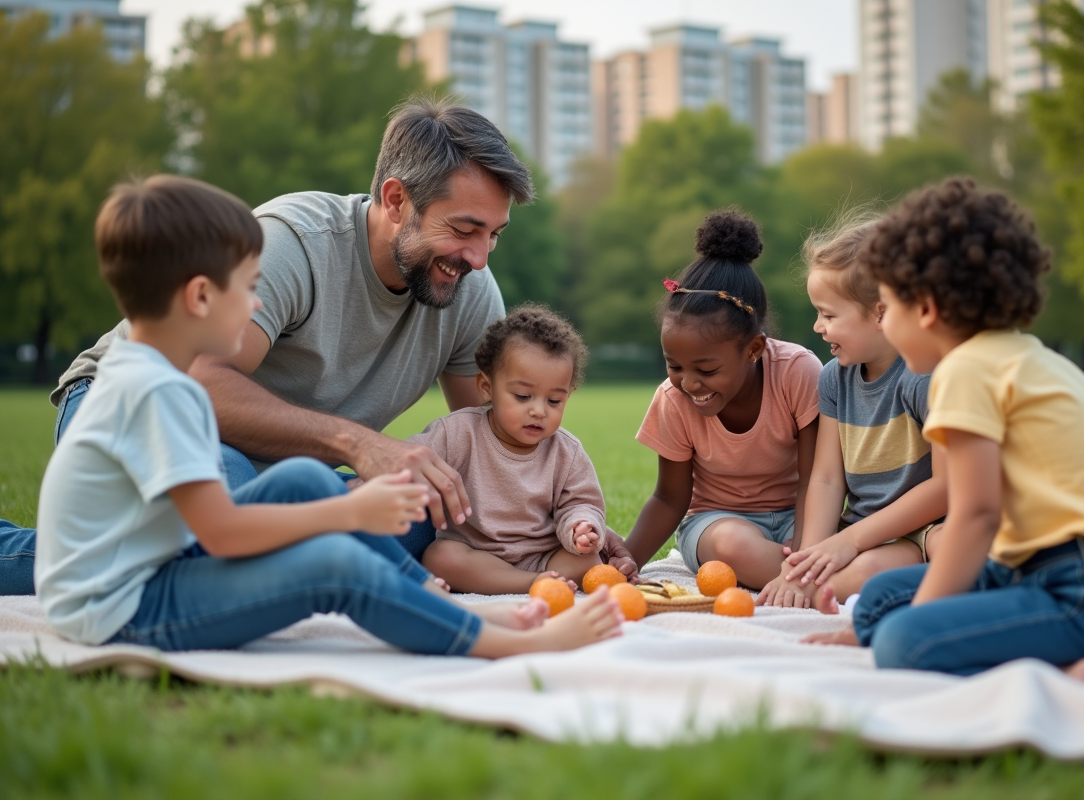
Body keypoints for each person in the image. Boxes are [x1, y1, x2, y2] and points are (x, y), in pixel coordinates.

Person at [0, 97, 633, 594]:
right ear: (395, 199)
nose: (479, 256)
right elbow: (193, 381)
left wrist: (576, 528)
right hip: (140, 410)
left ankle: (272, 550)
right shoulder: (295, 241)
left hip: (285, 469)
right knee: (225, 525)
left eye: (494, 234)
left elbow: (492, 444)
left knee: (414, 517)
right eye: (465, 229)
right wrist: (357, 444)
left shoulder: (468, 285)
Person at [807, 177, 1084, 681]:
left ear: (927, 309)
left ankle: (1070, 662)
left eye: (888, 308)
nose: (885, 323)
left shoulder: (964, 371)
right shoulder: (1024, 355)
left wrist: (921, 620)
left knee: (902, 639)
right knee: (878, 600)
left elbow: (976, 516)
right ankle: (1068, 655)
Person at [622, 209, 822, 588]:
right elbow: (669, 498)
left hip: (801, 514)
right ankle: (817, 582)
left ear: (753, 349)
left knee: (842, 542)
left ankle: (801, 576)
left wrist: (807, 543)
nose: (689, 383)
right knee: (735, 546)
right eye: (674, 366)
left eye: (706, 370)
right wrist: (626, 560)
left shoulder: (798, 372)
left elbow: (815, 480)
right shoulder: (672, 399)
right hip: (716, 522)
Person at [757, 214, 946, 609]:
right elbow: (826, 480)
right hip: (859, 527)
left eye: (828, 315)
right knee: (807, 573)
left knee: (863, 573)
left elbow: (946, 487)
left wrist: (849, 543)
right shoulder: (834, 380)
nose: (817, 326)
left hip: (921, 529)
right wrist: (804, 564)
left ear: (880, 313)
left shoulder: (922, 378)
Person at [415, 305, 635, 594]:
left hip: (544, 555)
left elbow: (581, 503)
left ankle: (540, 579)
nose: (538, 411)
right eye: (522, 396)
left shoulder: (565, 451)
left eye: (554, 401)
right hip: (476, 553)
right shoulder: (455, 433)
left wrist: (582, 527)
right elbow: (409, 458)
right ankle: (530, 585)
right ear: (486, 387)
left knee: (589, 558)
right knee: (439, 557)